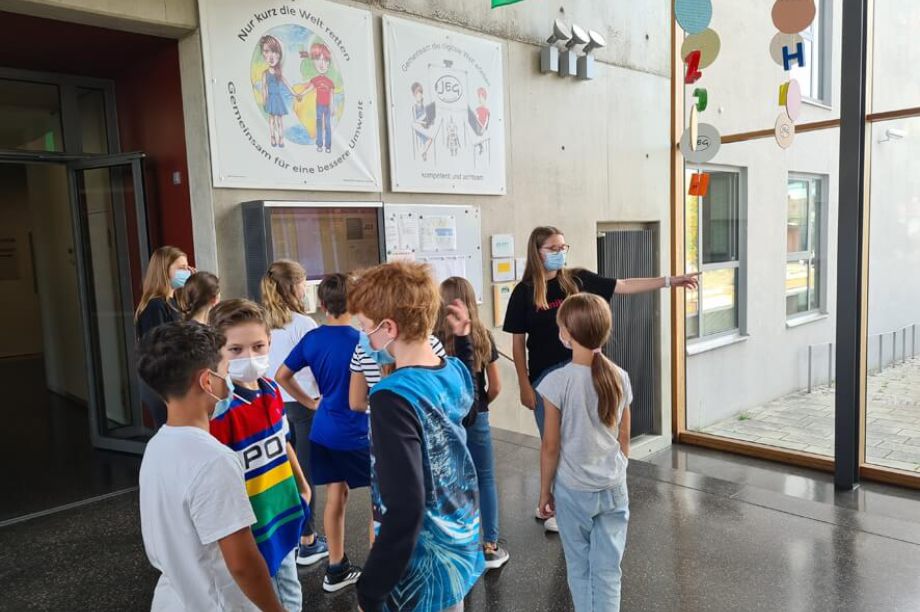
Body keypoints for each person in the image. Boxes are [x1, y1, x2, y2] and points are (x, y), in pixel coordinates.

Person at [503, 226, 697, 531]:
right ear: (537, 252)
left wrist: (670, 281)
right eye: (553, 248)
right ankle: (551, 503)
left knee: (584, 440)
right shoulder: (523, 293)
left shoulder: (576, 279)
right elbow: (517, 344)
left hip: (584, 372)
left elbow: (624, 285)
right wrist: (524, 384)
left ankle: (586, 497)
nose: (560, 253)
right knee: (553, 442)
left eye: (563, 247)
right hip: (546, 378)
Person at [349, 261, 484, 612]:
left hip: (420, 563)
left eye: (364, 327)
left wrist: (370, 589)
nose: (364, 337)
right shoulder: (453, 369)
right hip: (459, 542)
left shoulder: (391, 395)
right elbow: (471, 411)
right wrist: (464, 341)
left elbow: (406, 506)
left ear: (388, 328)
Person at [137, 321, 285, 612]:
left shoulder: (157, 446)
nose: (227, 383)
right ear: (207, 381)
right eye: (225, 372)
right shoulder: (214, 460)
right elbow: (242, 563)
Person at [208, 299, 311, 612]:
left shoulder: (271, 389)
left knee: (290, 589)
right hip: (253, 528)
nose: (250, 357)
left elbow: (283, 440)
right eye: (235, 349)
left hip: (283, 513)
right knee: (269, 598)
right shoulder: (221, 409)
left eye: (258, 346)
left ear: (270, 342)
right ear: (217, 351)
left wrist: (302, 485)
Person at [537, 293, 633, 612]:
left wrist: (545, 491)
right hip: (613, 486)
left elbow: (550, 446)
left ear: (567, 333)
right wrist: (618, 467)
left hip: (573, 490)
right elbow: (624, 435)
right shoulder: (620, 377)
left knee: (579, 568)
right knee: (608, 572)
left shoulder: (556, 382)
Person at [275, 273, 366, 593]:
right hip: (358, 430)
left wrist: (310, 402)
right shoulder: (363, 340)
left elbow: (281, 375)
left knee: (335, 496)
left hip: (325, 428)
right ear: (354, 304)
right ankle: (384, 575)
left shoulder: (312, 339)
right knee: (380, 502)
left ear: (323, 305)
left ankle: (336, 568)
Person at [436, 276, 509, 571]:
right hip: (477, 415)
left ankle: (458, 543)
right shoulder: (482, 335)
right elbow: (496, 385)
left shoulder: (434, 338)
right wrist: (481, 406)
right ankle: (490, 545)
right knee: (485, 478)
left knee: (452, 480)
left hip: (445, 417)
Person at [261, 259, 328, 566]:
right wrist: (315, 402)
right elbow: (314, 370)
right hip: (303, 405)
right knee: (305, 474)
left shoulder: (262, 320)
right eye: (302, 281)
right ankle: (308, 540)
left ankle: (288, 537)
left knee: (283, 473)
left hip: (274, 406)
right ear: (292, 286)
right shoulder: (303, 325)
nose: (305, 287)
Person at [135, 245, 194, 429]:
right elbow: (159, 350)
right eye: (181, 268)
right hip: (163, 383)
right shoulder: (156, 306)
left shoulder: (173, 302)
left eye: (187, 267)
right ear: (164, 271)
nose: (187, 272)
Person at [259, 34, 301, 148]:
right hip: (271, 99)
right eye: (267, 51)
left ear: (279, 55)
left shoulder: (279, 74)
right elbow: (264, 87)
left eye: (274, 52)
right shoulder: (265, 74)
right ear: (263, 54)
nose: (271, 56)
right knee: (272, 119)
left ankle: (281, 139)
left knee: (279, 120)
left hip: (278, 99)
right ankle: (273, 137)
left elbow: (287, 85)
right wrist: (264, 100)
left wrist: (295, 94)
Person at [298, 43, 335, 154]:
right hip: (319, 106)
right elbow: (310, 88)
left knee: (327, 126)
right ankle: (319, 144)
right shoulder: (316, 80)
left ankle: (328, 146)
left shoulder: (330, 82)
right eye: (319, 60)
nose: (322, 64)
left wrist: (332, 107)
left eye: (325, 60)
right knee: (319, 125)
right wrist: (301, 94)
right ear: (314, 62)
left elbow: (332, 95)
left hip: (327, 106)